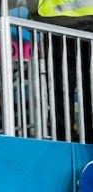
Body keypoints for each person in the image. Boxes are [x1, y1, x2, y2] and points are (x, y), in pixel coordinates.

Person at [32, 1, 93, 143]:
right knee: (80, 86)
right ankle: (80, 136)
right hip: (73, 21)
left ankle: (65, 137)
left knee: (61, 87)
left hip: (56, 20)